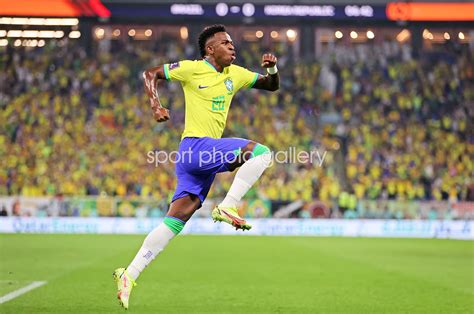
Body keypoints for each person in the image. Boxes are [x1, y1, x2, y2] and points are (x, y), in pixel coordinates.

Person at [113, 24, 279, 309]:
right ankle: (229, 205)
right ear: (210, 49)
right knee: (261, 152)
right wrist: (155, 105)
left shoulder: (235, 74)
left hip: (197, 161)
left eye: (232, 43)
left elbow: (270, 85)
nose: (232, 47)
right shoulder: (191, 68)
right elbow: (150, 73)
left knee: (175, 221)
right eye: (226, 43)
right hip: (195, 148)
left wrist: (273, 70)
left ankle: (129, 274)